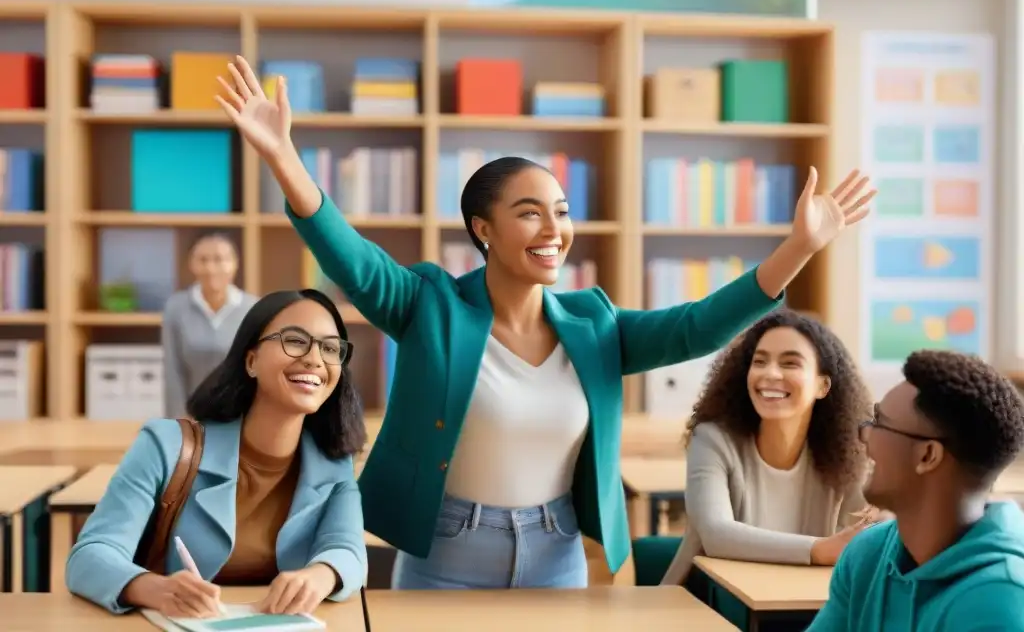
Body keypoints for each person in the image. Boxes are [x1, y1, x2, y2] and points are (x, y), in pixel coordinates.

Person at [215, 55, 876, 590]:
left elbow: (697, 327)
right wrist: (282, 157)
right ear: (484, 229)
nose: (553, 229)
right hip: (446, 555)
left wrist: (800, 247)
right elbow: (351, 259)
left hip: (556, 554)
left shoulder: (595, 324)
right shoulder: (429, 303)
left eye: (560, 211)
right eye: (529, 212)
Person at [66, 289, 368, 618]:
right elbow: (89, 556)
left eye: (329, 347)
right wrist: (154, 588)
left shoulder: (332, 461)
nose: (315, 359)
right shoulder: (166, 445)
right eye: (295, 341)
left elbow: (349, 552)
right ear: (251, 360)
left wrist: (320, 576)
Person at [650, 310, 875, 591]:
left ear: (822, 385)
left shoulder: (847, 453)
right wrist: (818, 549)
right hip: (709, 607)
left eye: (790, 363)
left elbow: (868, 541)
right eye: (759, 362)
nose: (770, 373)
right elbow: (716, 534)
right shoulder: (712, 439)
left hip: (806, 607)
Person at [809, 350, 1024, 632]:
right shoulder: (867, 555)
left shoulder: (998, 602)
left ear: (927, 456)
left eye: (879, 424)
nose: (866, 440)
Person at [162, 232, 258, 418]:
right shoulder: (176, 308)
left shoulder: (252, 308)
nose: (211, 268)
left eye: (219, 259)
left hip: (241, 417)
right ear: (191, 264)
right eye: (203, 260)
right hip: (191, 417)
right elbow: (172, 371)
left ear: (235, 264)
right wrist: (180, 421)